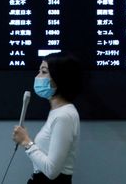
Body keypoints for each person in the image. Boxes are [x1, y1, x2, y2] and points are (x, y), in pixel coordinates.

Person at [12, 52, 83, 183]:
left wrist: (26, 142)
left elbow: (52, 171)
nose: (38, 77)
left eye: (44, 72)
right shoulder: (57, 112)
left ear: (59, 78)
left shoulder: (64, 116)